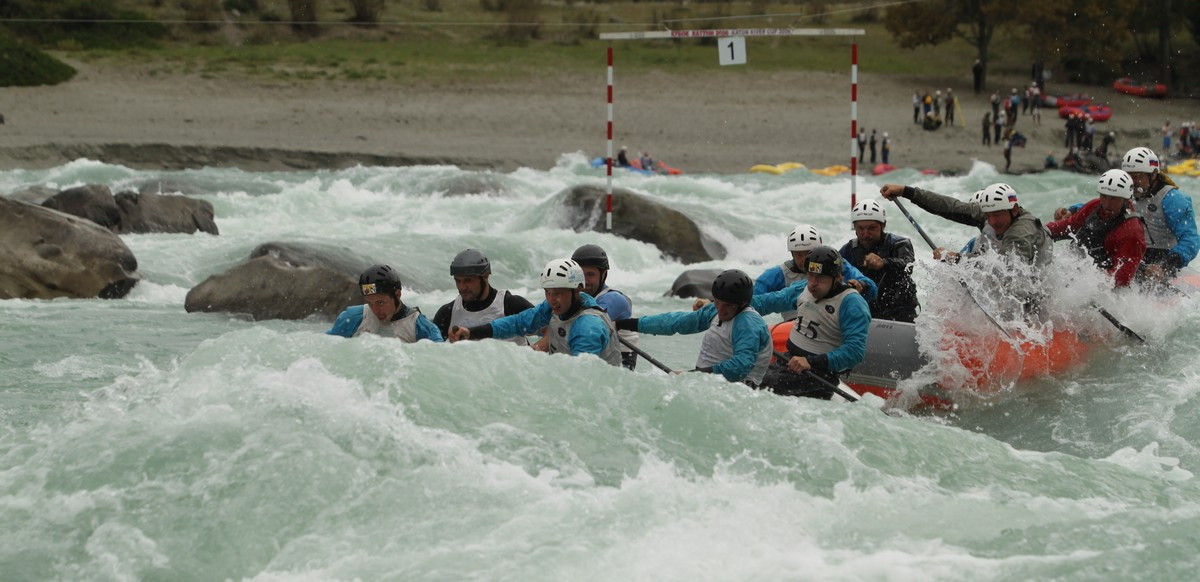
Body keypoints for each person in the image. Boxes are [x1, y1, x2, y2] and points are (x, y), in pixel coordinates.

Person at [448, 258, 621, 365]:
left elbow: (580, 379)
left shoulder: (588, 328)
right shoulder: (554, 306)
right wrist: (471, 332)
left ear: (576, 291)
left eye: (559, 293)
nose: (553, 300)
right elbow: (517, 323)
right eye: (548, 292)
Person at [753, 247, 870, 400]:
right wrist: (720, 305)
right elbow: (766, 302)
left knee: (757, 382)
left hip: (818, 375)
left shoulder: (852, 304)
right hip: (789, 361)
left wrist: (810, 362)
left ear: (838, 278)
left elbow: (854, 352)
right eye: (810, 275)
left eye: (821, 278)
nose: (813, 283)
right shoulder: (803, 288)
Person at [616, 270, 772, 385]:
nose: (720, 310)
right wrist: (626, 324)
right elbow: (674, 322)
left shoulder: (748, 324)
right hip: (706, 382)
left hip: (740, 390)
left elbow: (740, 367)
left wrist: (692, 375)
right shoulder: (715, 310)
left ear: (743, 303)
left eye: (727, 306)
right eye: (717, 302)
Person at [878, 182, 1052, 268]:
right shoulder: (989, 213)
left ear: (1013, 210)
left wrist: (956, 259)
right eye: (988, 215)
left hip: (1034, 296)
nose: (992, 221)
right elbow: (950, 207)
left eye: (997, 215)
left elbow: (1004, 267)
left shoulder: (1021, 231)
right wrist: (907, 191)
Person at [753, 224, 878, 320]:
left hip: (831, 325)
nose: (804, 260)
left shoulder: (836, 264)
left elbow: (872, 288)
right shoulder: (777, 275)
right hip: (793, 328)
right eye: (798, 255)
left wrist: (862, 285)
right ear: (792, 254)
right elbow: (754, 302)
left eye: (808, 253)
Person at [1046, 170, 1146, 288]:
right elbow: (1067, 226)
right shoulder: (1094, 206)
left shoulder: (1132, 231)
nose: (1107, 203)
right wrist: (1041, 230)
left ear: (1125, 198)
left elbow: (1120, 280)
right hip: (1076, 270)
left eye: (1114, 198)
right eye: (1104, 196)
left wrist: (1085, 286)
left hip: (1102, 289)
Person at [1122, 147, 1199, 281]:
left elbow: (1190, 240)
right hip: (1136, 259)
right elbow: (1103, 204)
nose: (1132, 182)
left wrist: (1165, 266)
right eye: (1128, 176)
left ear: (1153, 175)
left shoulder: (1173, 199)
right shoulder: (1125, 193)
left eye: (1138, 176)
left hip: (1164, 260)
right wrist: (1074, 210)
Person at [839, 199, 920, 322]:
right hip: (865, 313)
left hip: (900, 313)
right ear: (854, 228)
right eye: (861, 228)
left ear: (883, 225)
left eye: (871, 228)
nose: (865, 234)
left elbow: (908, 266)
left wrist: (884, 263)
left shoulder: (900, 244)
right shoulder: (847, 250)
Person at [432, 249, 534, 344]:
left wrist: (538, 347)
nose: (462, 287)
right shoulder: (447, 314)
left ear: (485, 276)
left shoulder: (511, 305)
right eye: (457, 281)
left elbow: (547, 327)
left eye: (468, 280)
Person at [328, 264, 444, 342]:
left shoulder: (421, 328)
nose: (375, 310)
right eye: (370, 303)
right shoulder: (352, 318)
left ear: (397, 295)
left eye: (380, 303)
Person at [571, 243, 638, 369]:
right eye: (579, 274)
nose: (583, 281)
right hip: (592, 357)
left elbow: (589, 323)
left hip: (620, 365)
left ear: (604, 275)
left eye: (590, 274)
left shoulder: (614, 299)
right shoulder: (570, 296)